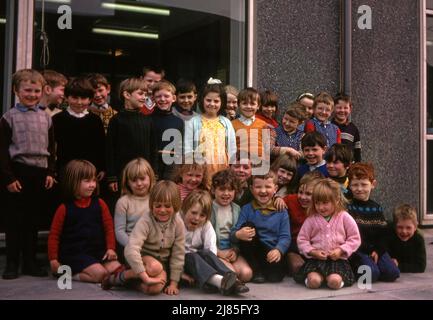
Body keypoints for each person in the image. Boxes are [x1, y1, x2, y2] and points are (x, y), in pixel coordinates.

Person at [0, 69, 55, 279]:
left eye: (36, 91)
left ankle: (30, 262)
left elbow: (52, 147)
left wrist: (50, 171)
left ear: (42, 92)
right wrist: (8, 177)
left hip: (39, 172)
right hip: (17, 171)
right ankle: (12, 262)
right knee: (15, 220)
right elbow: (2, 151)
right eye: (27, 90)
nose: (32, 95)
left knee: (33, 219)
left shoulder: (46, 118)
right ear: (16, 90)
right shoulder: (8, 118)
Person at [48, 160, 121, 283]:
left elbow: (109, 228)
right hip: (75, 254)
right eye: (87, 181)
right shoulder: (64, 208)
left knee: (117, 269)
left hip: (98, 252)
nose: (92, 184)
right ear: (73, 183)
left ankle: (98, 269)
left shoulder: (100, 204)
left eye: (93, 180)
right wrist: (53, 260)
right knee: (100, 274)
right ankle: (67, 274)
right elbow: (54, 235)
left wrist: (111, 249)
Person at [294, 179, 361, 289]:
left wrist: (341, 250)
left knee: (334, 282)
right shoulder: (311, 219)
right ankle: (312, 279)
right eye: (317, 203)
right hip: (316, 261)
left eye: (325, 203)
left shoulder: (344, 217)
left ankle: (336, 280)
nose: (321, 207)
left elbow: (354, 238)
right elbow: (302, 240)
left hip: (338, 261)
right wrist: (312, 251)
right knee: (313, 282)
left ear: (337, 199)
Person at [181, 190, 248, 295]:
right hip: (181, 262)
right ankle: (221, 282)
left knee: (206, 253)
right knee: (191, 256)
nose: (197, 218)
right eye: (193, 213)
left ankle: (233, 281)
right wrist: (180, 274)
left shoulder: (206, 225)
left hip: (200, 264)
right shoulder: (176, 223)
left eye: (202, 215)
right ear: (184, 209)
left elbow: (211, 250)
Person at [124, 180, 185, 295]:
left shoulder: (178, 223)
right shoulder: (146, 220)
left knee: (154, 289)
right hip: (142, 261)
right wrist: (145, 276)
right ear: (152, 204)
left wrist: (173, 283)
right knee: (154, 267)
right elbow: (131, 249)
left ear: (176, 205)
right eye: (158, 206)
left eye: (167, 206)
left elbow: (178, 254)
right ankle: (125, 275)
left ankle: (129, 283)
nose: (162, 210)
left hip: (161, 265)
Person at [231, 171, 291, 283]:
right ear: (251, 189)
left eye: (268, 187)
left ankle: (266, 270)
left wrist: (279, 250)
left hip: (271, 251)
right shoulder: (246, 209)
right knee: (247, 226)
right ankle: (256, 270)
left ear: (275, 189)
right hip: (253, 251)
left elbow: (285, 236)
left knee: (275, 277)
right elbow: (235, 232)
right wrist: (238, 234)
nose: (263, 191)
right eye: (258, 187)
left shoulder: (281, 211)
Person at [347, 163, 400, 282]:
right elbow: (350, 236)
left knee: (393, 273)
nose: (359, 189)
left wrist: (378, 250)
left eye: (364, 184)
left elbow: (383, 234)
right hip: (358, 250)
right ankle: (356, 268)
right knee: (370, 275)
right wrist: (367, 252)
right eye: (355, 185)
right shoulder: (348, 207)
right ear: (349, 186)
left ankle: (374, 266)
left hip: (375, 249)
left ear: (373, 184)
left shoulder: (377, 208)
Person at [106, 77, 158, 195]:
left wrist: (154, 174)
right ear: (127, 95)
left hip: (145, 176)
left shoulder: (148, 120)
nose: (144, 97)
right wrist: (112, 177)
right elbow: (110, 150)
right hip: (123, 175)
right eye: (140, 94)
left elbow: (153, 149)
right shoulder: (116, 120)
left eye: (145, 94)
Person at [52, 77, 106, 180]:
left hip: (90, 172)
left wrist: (102, 167)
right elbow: (51, 147)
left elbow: (101, 146)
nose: (79, 102)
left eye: (84, 98)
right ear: (67, 97)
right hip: (65, 172)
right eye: (75, 97)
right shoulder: (57, 119)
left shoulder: (95, 120)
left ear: (90, 99)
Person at [184, 82, 237, 177]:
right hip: (200, 170)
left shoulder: (226, 123)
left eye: (216, 101)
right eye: (208, 100)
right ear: (202, 100)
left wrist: (231, 165)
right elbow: (187, 147)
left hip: (222, 169)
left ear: (222, 102)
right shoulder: (193, 122)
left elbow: (232, 147)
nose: (212, 104)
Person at [210, 169, 253, 285]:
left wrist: (235, 251)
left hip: (231, 248)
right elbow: (205, 238)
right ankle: (230, 283)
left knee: (246, 274)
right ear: (214, 190)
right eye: (222, 189)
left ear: (236, 191)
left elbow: (237, 233)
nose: (226, 193)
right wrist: (219, 253)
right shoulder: (209, 208)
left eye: (230, 190)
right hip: (215, 249)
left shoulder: (237, 209)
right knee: (232, 273)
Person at [114, 158, 156, 262]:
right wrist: (134, 246)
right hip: (132, 248)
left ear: (150, 178)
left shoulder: (156, 199)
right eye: (134, 180)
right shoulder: (123, 202)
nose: (139, 183)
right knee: (153, 267)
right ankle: (122, 276)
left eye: (142, 179)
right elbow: (119, 231)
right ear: (127, 182)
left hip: (154, 247)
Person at [283, 171, 324, 275]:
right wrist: (277, 199)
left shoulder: (322, 207)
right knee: (298, 267)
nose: (303, 197)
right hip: (294, 244)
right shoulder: (291, 200)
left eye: (309, 194)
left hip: (315, 244)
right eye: (300, 192)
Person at [151, 80, 184, 179]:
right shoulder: (147, 120)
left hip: (172, 166)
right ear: (153, 99)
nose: (162, 99)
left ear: (174, 98)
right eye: (158, 96)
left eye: (166, 96)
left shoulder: (178, 122)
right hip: (152, 164)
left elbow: (179, 148)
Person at [231, 87, 273, 161]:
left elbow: (267, 148)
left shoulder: (263, 124)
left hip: (259, 165)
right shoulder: (232, 125)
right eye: (244, 103)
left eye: (252, 104)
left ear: (258, 106)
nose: (249, 106)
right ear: (238, 105)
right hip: (241, 166)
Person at [387, 204, 426, 273]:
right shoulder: (390, 237)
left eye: (408, 228)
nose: (404, 231)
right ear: (394, 226)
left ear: (415, 227)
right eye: (400, 227)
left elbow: (421, 267)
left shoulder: (418, 240)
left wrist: (398, 266)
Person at [332, 93, 362, 162]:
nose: (342, 110)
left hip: (348, 166)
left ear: (350, 109)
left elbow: (357, 151)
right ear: (333, 108)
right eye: (339, 107)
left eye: (345, 108)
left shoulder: (353, 129)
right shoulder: (328, 126)